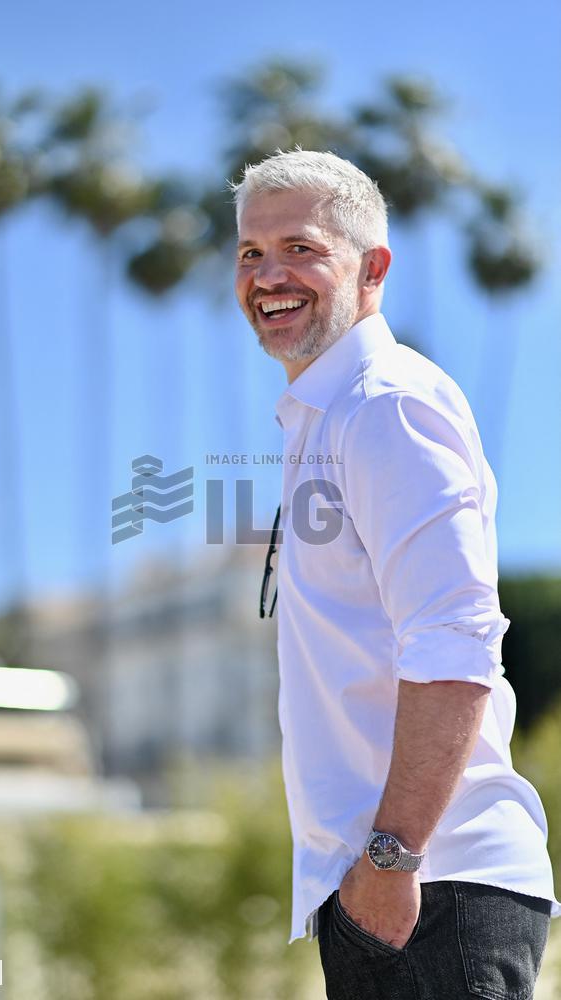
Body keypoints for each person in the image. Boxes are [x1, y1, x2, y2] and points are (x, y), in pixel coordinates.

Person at [232, 148, 560, 1000]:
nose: (269, 274)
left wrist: (392, 855)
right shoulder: (326, 414)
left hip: (427, 888)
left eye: (300, 247)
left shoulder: (386, 404)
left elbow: (456, 641)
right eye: (250, 252)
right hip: (393, 894)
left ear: (372, 267)